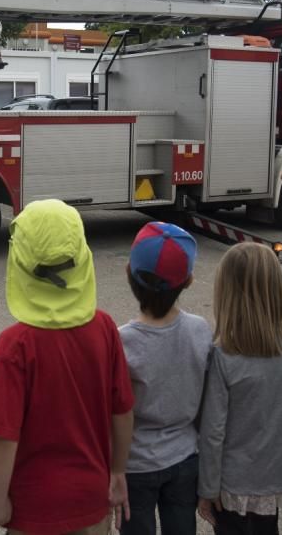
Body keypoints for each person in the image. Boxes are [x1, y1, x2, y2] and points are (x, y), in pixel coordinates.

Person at [0, 199, 135, 534]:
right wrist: (118, 472)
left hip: (33, 510)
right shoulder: (104, 328)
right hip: (92, 501)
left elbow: (3, 438)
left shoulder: (15, 345)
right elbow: (122, 411)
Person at [197, 242, 282, 535]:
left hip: (233, 484)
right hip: (273, 479)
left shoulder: (223, 355)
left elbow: (213, 431)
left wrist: (207, 488)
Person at [118, 222, 212, 535]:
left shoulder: (123, 342)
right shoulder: (200, 330)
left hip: (136, 465)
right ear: (188, 281)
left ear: (128, 273)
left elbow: (119, 413)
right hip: (185, 458)